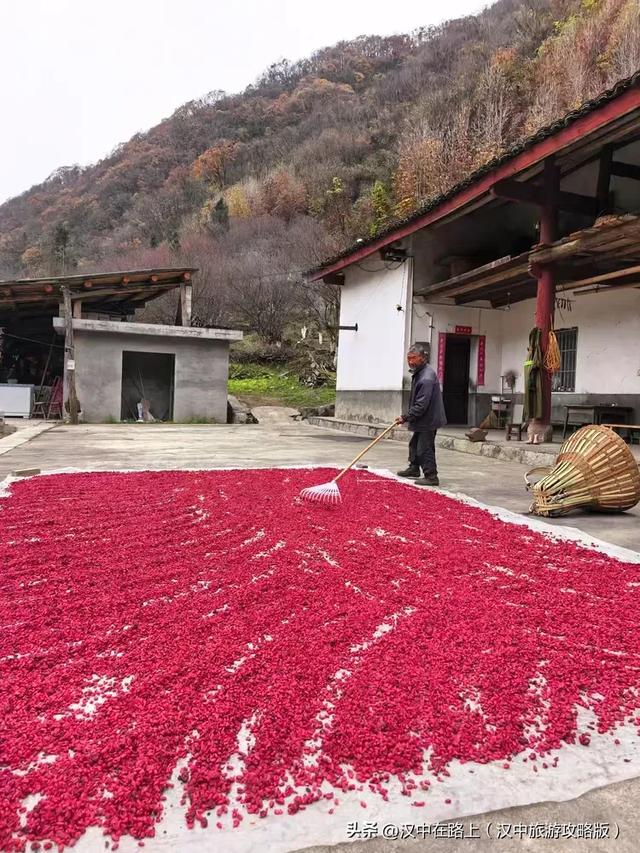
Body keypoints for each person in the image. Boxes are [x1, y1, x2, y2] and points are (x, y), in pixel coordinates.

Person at [395, 343, 447, 486]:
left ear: (422, 358)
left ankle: (431, 476)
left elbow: (421, 405)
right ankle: (414, 468)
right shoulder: (419, 372)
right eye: (408, 358)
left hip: (429, 419)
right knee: (414, 444)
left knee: (425, 448)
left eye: (413, 358)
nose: (410, 361)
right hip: (423, 418)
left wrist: (405, 417)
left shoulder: (426, 378)